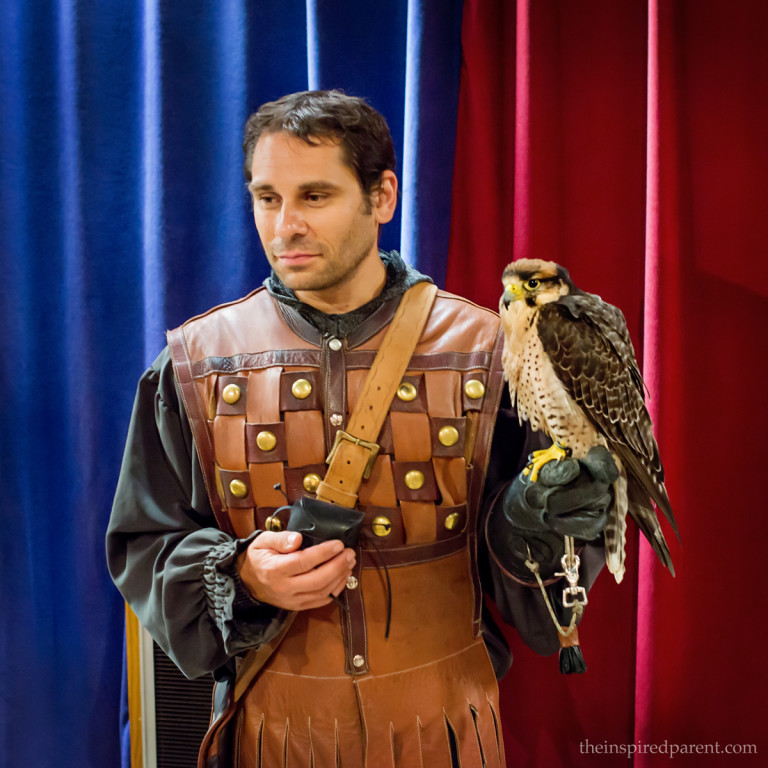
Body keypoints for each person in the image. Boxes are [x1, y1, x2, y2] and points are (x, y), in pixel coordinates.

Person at [107, 90, 613, 768]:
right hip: (275, 740)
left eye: (314, 196)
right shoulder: (196, 364)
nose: (284, 226)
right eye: (267, 197)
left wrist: (532, 519)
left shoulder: (490, 352)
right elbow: (144, 546)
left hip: (449, 736)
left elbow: (531, 598)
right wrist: (243, 573)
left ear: (382, 197)